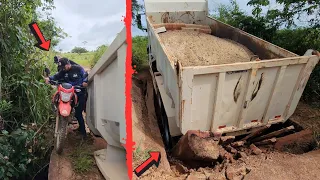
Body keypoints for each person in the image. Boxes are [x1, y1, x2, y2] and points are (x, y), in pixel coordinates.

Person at [45, 58, 88, 138]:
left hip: (79, 93)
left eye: (64, 67)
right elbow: (56, 76)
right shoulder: (63, 71)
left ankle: (83, 133)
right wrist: (49, 79)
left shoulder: (78, 68)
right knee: (56, 100)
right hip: (67, 93)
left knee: (78, 113)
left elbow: (85, 74)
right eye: (62, 68)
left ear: (68, 64)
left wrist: (85, 81)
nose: (63, 69)